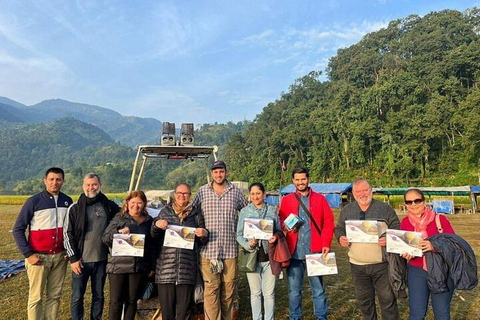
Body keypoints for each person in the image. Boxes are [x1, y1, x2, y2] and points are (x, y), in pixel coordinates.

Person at [335, 178, 401, 320]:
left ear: (371, 190)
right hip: (357, 266)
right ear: (353, 193)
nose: (362, 194)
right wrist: (340, 238)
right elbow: (339, 228)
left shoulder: (385, 209)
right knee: (365, 303)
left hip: (381, 265)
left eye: (365, 190)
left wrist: (388, 237)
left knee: (388, 301)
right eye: (358, 191)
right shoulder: (347, 210)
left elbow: (397, 227)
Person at [13, 167, 73, 320]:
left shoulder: (68, 201)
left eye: (58, 179)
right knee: (36, 297)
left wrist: (67, 250)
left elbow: (71, 229)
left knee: (55, 296)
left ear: (63, 181)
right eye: (51, 179)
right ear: (45, 181)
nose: (55, 183)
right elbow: (18, 229)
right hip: (39, 258)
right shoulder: (33, 201)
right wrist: (28, 254)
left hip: (60, 257)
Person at [192, 160, 249, 320]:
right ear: (212, 173)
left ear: (226, 172)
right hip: (208, 251)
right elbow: (191, 212)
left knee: (229, 290)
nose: (219, 174)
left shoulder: (235, 192)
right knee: (211, 290)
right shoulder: (202, 192)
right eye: (216, 172)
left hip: (230, 249)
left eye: (221, 171)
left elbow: (247, 213)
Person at [278, 167, 335, 320]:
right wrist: (286, 227)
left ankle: (321, 317)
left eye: (303, 179)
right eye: (297, 179)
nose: (300, 182)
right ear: (293, 181)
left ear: (308, 179)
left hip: (314, 251)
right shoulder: (287, 200)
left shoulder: (320, 199)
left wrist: (326, 243)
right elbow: (281, 221)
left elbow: (328, 222)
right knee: (294, 291)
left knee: (318, 290)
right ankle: (295, 317)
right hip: (294, 252)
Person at [63, 173, 120, 320]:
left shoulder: (108, 205)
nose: (91, 187)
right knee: (77, 296)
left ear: (100, 185)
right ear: (83, 186)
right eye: (88, 185)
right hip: (81, 260)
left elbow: (123, 218)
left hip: (101, 259)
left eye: (94, 184)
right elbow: (67, 234)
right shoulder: (75, 208)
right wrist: (73, 258)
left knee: (99, 295)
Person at [151, 183, 209, 320]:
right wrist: (156, 225)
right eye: (179, 193)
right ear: (175, 194)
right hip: (166, 270)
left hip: (186, 270)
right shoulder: (165, 211)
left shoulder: (196, 213)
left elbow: (202, 241)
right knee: (167, 313)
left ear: (190, 196)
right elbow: (153, 235)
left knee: (184, 312)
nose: (182, 196)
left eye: (186, 194)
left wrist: (204, 233)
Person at [400, 188, 455, 320]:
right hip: (416, 270)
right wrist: (406, 253)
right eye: (409, 202)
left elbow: (453, 244)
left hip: (440, 270)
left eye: (417, 200)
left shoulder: (439, 219)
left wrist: (433, 246)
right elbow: (404, 246)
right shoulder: (405, 222)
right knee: (416, 314)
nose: (413, 204)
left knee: (441, 313)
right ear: (406, 205)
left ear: (424, 202)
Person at [102, 190, 155, 320]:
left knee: (132, 301)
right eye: (133, 202)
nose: (136, 206)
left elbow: (153, 245)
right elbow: (105, 238)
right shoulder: (119, 218)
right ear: (127, 202)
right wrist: (118, 233)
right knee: (115, 302)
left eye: (139, 203)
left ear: (144, 204)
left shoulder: (149, 222)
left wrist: (152, 266)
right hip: (118, 267)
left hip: (138, 268)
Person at [236, 182, 279, 320]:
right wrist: (248, 244)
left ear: (264, 194)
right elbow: (239, 234)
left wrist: (275, 237)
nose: (255, 196)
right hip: (252, 257)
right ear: (250, 195)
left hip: (269, 257)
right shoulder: (245, 212)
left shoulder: (271, 210)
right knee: (255, 293)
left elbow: (278, 230)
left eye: (258, 193)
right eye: (253, 194)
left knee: (269, 293)